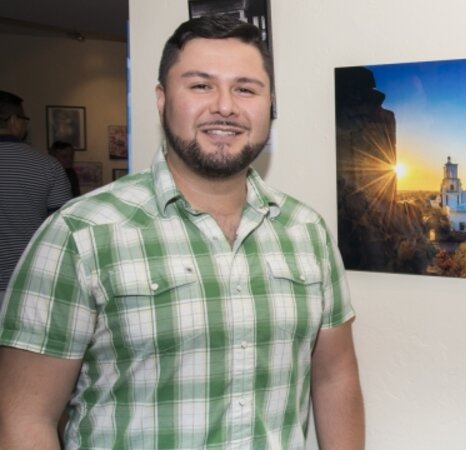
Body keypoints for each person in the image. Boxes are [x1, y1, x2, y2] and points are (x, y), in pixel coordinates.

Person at [0, 16, 364, 450]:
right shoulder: (81, 233)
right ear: (161, 99)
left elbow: (334, 378)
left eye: (246, 89)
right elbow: (24, 418)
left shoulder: (308, 232)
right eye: (200, 86)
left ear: (269, 105)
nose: (225, 106)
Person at [0, 90, 72, 308]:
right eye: (24, 120)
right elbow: (64, 228)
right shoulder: (47, 166)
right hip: (26, 281)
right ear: (14, 121)